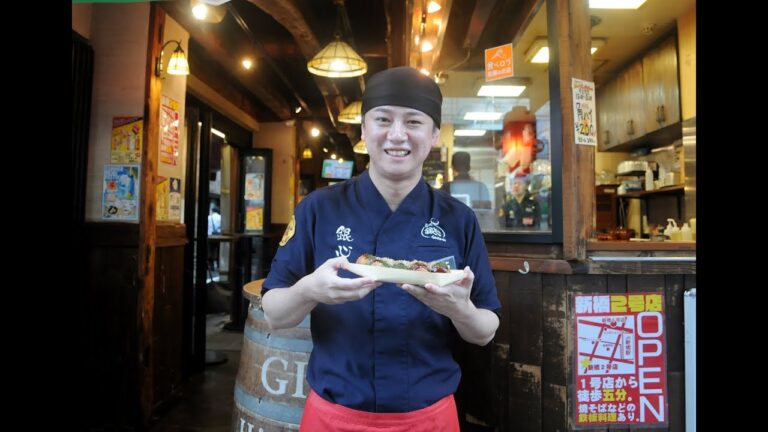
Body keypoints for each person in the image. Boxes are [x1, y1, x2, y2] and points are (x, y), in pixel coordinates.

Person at [261, 66, 500, 431]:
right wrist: (309, 290)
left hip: (428, 419)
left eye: (414, 122)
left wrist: (461, 310)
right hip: (332, 417)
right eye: (383, 119)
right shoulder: (318, 209)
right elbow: (275, 314)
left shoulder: (458, 219)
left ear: (434, 134)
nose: (397, 134)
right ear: (364, 129)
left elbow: (484, 331)